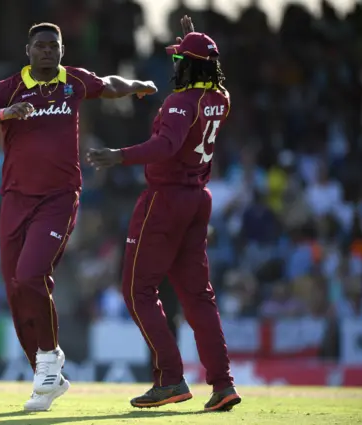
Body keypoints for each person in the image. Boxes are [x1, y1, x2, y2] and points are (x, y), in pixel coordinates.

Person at [0, 22, 157, 411]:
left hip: (58, 198)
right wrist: (5, 113)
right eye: (41, 45)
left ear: (62, 50)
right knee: (17, 288)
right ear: (28, 50)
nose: (48, 51)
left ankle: (50, 362)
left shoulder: (74, 81)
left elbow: (109, 83)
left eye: (54, 45)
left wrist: (136, 86)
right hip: (15, 200)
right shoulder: (10, 88)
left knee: (32, 274)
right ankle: (46, 374)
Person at [86, 16, 241, 412]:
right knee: (198, 297)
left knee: (137, 291)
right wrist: (192, 43)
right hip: (197, 199)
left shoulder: (179, 101)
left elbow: (166, 145)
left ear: (190, 67)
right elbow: (205, 76)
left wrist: (119, 156)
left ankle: (170, 378)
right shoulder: (221, 98)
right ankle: (223, 385)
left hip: (165, 200)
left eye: (179, 61)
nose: (174, 67)